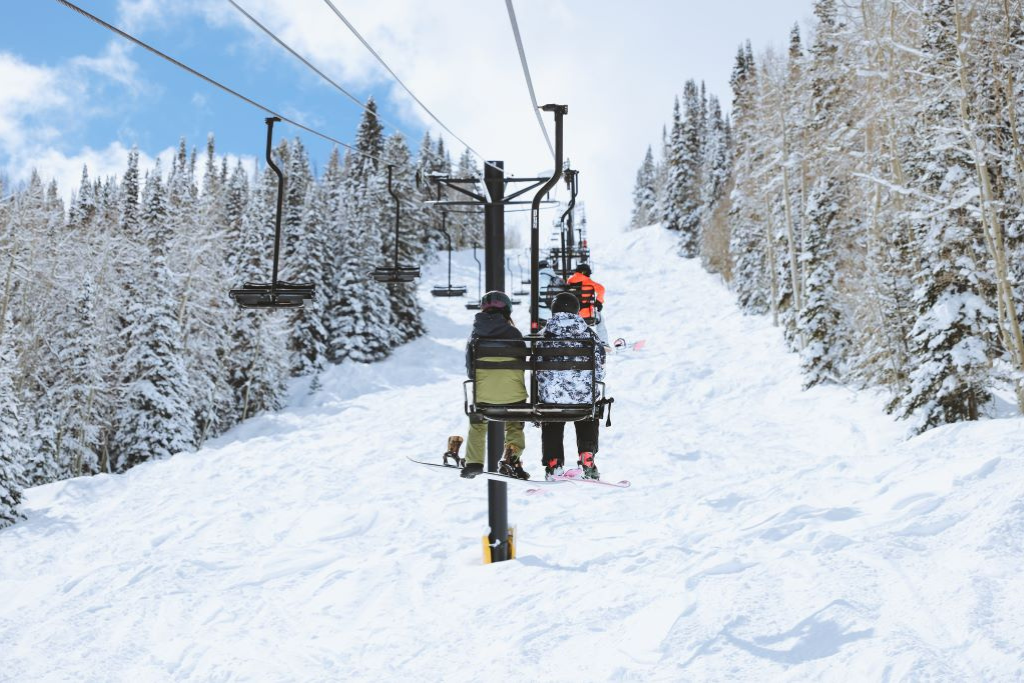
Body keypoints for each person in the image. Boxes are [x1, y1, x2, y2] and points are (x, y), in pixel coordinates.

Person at [536, 292, 607, 480]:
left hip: (552, 399)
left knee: (552, 413)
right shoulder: (589, 335)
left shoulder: (544, 335)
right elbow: (599, 370)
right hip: (582, 399)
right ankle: (587, 456)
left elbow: (537, 369)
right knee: (588, 409)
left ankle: (553, 462)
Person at [461, 291, 530, 480]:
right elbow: (522, 364)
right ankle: (511, 458)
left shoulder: (475, 337)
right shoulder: (514, 334)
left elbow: (470, 371)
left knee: (477, 422)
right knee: (515, 423)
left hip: (485, 396)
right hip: (514, 396)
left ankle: (474, 462)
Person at [567, 263, 610, 347]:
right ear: (585, 272)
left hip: (572, 315)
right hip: (587, 315)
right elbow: (601, 289)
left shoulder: (569, 281)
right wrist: (599, 301)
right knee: (600, 319)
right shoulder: (588, 281)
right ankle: (604, 343)